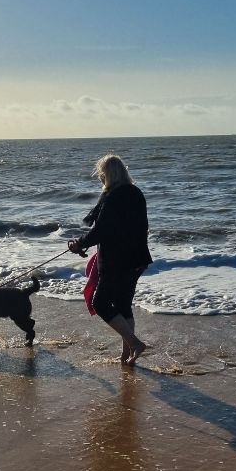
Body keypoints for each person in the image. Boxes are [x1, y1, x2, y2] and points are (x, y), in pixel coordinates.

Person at [68, 154, 153, 365]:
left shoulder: (113, 197)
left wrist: (79, 244)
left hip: (117, 260)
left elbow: (101, 231)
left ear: (107, 175)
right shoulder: (136, 193)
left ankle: (135, 344)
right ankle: (127, 355)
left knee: (101, 303)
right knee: (124, 305)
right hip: (138, 259)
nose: (100, 178)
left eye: (101, 175)